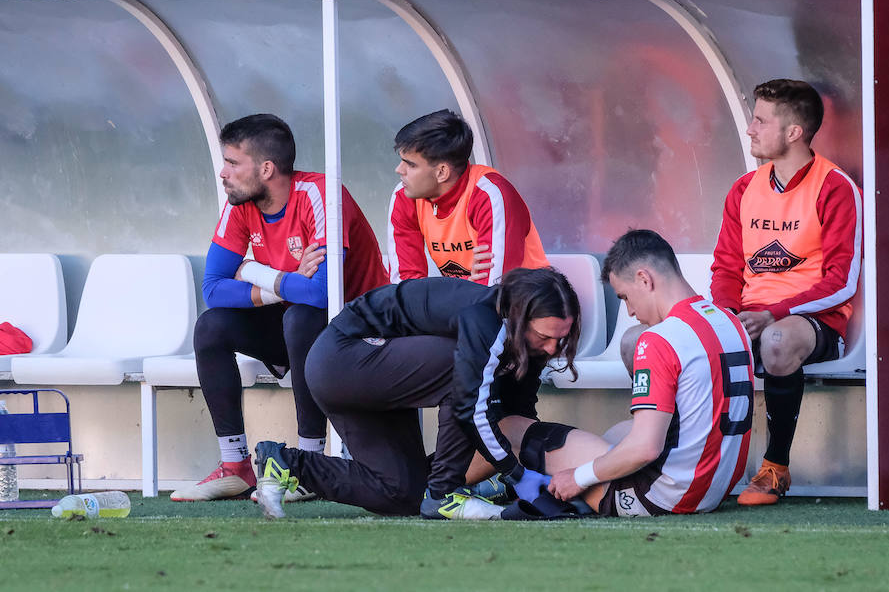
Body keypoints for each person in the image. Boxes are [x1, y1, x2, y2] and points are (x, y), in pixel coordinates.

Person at [170, 114, 388, 502]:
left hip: (358, 326)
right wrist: (283, 281)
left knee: (301, 317)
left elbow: (323, 294)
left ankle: (308, 464)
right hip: (295, 317)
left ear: (266, 168)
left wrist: (252, 270)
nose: (223, 173)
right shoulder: (241, 204)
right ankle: (235, 466)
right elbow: (214, 289)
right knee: (211, 327)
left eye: (233, 163)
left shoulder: (321, 195)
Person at [252, 267, 581, 519]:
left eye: (561, 339)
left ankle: (285, 464)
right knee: (464, 374)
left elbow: (518, 413)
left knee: (401, 493)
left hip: (370, 378)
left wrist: (540, 471)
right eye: (544, 336)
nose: (552, 348)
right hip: (341, 358)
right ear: (520, 318)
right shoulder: (485, 319)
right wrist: (516, 473)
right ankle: (446, 493)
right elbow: (469, 407)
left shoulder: (534, 344)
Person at [479, 229, 753, 516]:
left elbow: (646, 448)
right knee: (615, 434)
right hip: (713, 490)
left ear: (644, 279)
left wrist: (578, 478)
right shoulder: (729, 322)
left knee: (513, 428)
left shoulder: (660, 339)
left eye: (624, 297)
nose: (630, 311)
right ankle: (532, 483)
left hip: (661, 496)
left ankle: (444, 487)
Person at [711, 79, 862, 506]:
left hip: (812, 325)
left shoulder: (834, 187)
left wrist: (774, 313)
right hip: (751, 318)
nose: (750, 129)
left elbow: (842, 281)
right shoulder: (743, 189)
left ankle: (775, 468)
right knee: (666, 342)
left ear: (793, 132)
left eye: (760, 120)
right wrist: (724, 317)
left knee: (777, 341)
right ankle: (694, 465)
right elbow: (725, 268)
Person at [387, 109, 549, 285]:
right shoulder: (404, 196)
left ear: (442, 172)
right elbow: (404, 286)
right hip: (465, 303)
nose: (399, 170)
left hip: (528, 303)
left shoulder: (490, 195)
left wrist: (453, 291)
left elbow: (493, 288)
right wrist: (464, 285)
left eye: (410, 165)